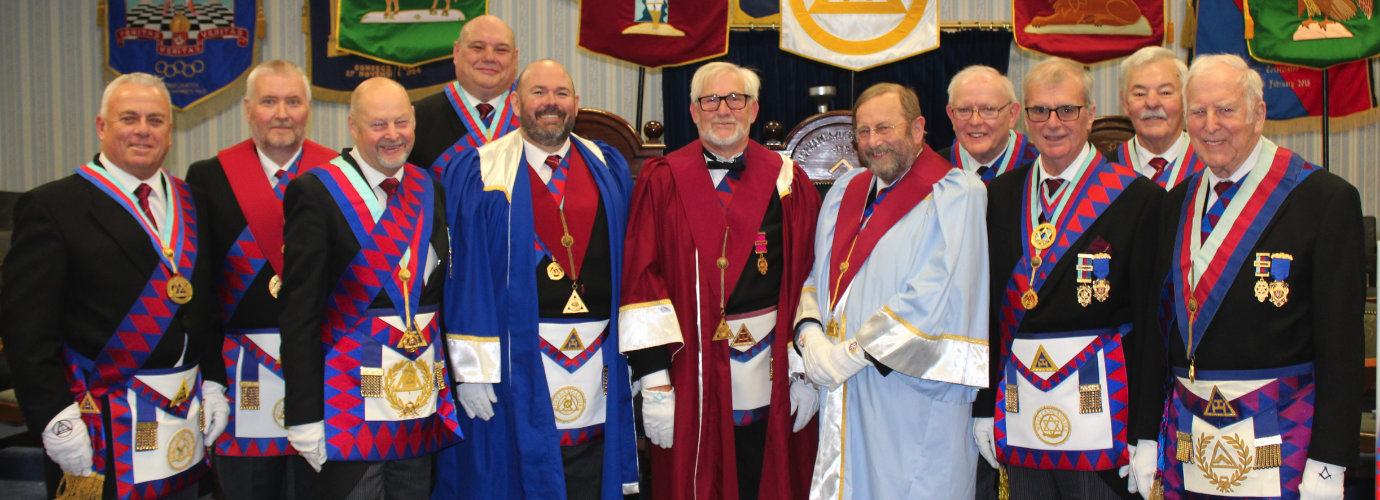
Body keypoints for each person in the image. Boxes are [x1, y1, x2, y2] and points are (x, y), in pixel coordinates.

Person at [1143, 54, 1362, 500]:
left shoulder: (1324, 199)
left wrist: (1329, 461)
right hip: (1190, 434)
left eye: (1225, 109)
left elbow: (1341, 346)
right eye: (1198, 112)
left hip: (1283, 433)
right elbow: (1158, 325)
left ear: (1258, 114)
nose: (1210, 125)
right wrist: (1146, 434)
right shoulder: (1175, 202)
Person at [0, 73, 226, 500]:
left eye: (156, 120)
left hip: (183, 413)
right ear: (102, 126)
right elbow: (27, 332)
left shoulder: (191, 201)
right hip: (100, 421)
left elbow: (203, 306)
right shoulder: (52, 207)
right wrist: (54, 418)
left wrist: (214, 379)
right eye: (129, 118)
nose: (143, 129)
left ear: (170, 133)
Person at [433, 59, 640, 500]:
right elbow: (463, 276)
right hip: (515, 361)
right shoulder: (479, 171)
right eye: (539, 93)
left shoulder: (610, 166)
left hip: (599, 357)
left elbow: (634, 264)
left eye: (561, 94)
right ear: (515, 102)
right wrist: (470, 371)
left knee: (590, 471)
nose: (551, 103)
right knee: (518, 476)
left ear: (576, 104)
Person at [620, 61, 822, 500]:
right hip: (688, 367)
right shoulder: (663, 180)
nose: (723, 109)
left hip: (772, 368)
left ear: (754, 110)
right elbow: (642, 282)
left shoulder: (790, 182)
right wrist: (654, 380)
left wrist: (805, 372)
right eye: (710, 99)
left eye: (736, 99)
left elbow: (809, 275)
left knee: (764, 477)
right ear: (693, 111)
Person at [975, 57, 1164, 499]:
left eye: (1067, 110)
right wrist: (983, 407)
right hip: (1018, 409)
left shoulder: (1139, 200)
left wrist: (1146, 431)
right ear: (1023, 116)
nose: (1053, 123)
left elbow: (1151, 323)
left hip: (1103, 414)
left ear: (1092, 114)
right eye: (1040, 110)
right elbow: (984, 310)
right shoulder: (999, 196)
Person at [795, 83, 989, 498]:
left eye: (885, 128)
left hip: (911, 393)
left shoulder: (956, 193)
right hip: (845, 388)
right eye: (863, 132)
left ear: (918, 128)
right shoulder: (845, 193)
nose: (873, 142)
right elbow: (817, 276)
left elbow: (934, 294)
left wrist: (848, 355)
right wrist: (809, 336)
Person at [278, 77, 461, 499]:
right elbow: (298, 312)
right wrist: (304, 414)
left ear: (414, 121)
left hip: (415, 396)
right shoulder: (317, 191)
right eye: (378, 125)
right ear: (353, 127)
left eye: (401, 121)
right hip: (346, 400)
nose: (393, 135)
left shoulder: (428, 188)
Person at [185, 59, 339, 499]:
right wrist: (210, 375)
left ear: (309, 109)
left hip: (324, 369)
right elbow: (202, 290)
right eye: (269, 102)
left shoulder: (338, 175)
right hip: (240, 378)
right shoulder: (208, 178)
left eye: (293, 101)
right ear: (248, 108)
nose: (282, 113)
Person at [409, 14, 520, 176]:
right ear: (457, 52)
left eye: (501, 50)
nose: (489, 57)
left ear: (515, 58)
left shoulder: (534, 116)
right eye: (478, 47)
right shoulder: (415, 119)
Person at [1116, 46, 1201, 189]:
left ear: (1186, 100)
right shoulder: (1102, 173)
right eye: (1140, 94)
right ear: (1125, 103)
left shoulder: (1212, 167)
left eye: (1165, 92)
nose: (1152, 103)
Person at [941, 65, 1039, 184]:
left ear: (1012, 114)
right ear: (951, 115)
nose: (975, 121)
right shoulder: (935, 170)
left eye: (988, 109)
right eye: (964, 110)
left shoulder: (1040, 167)